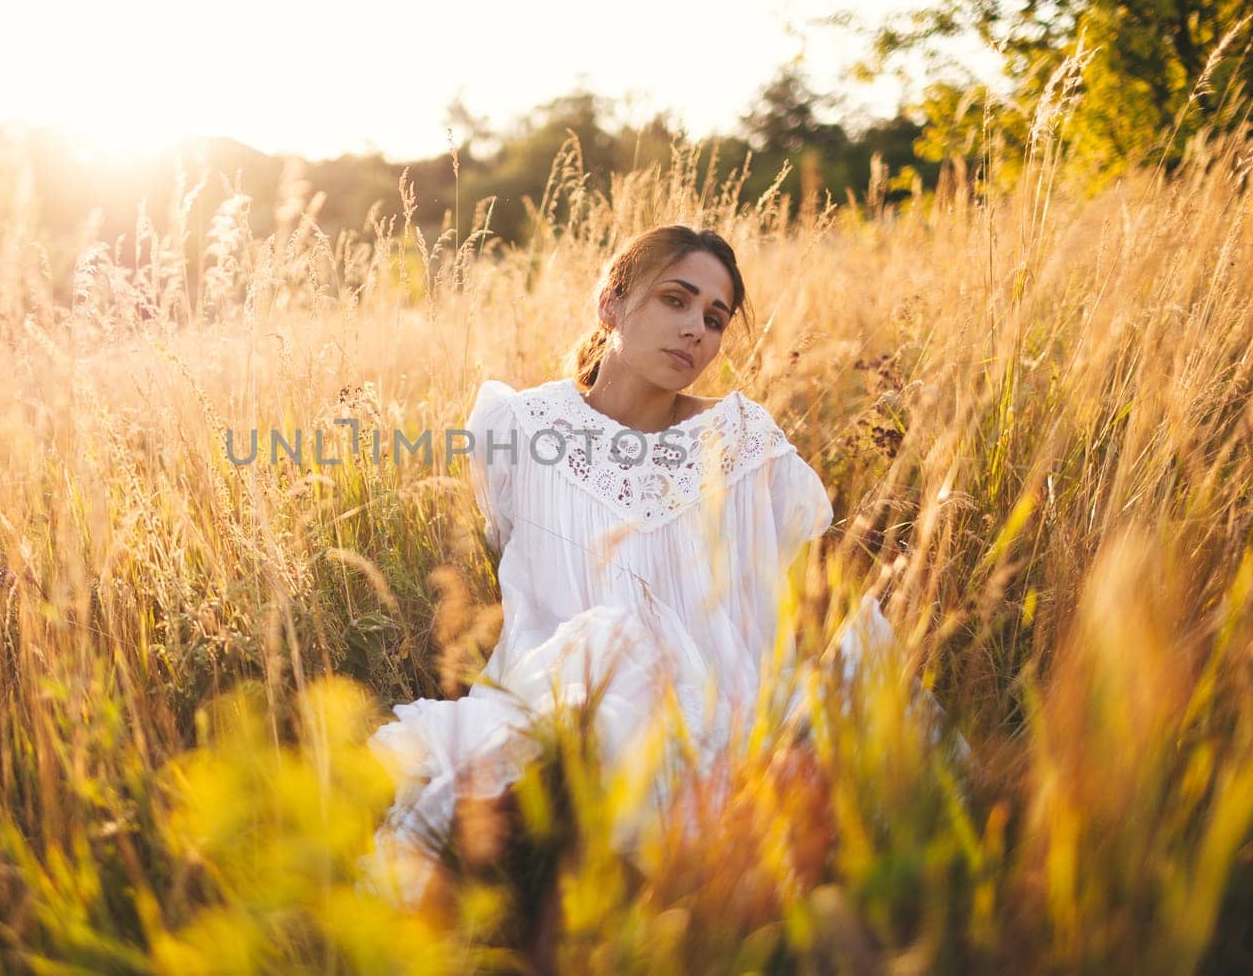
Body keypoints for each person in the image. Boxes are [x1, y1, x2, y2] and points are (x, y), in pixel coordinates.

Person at [360, 225, 934, 909]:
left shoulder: (744, 439)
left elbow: (794, 583)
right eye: (676, 299)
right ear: (611, 304)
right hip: (566, 689)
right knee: (603, 653)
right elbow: (518, 562)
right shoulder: (520, 425)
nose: (695, 328)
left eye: (714, 318)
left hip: (724, 695)